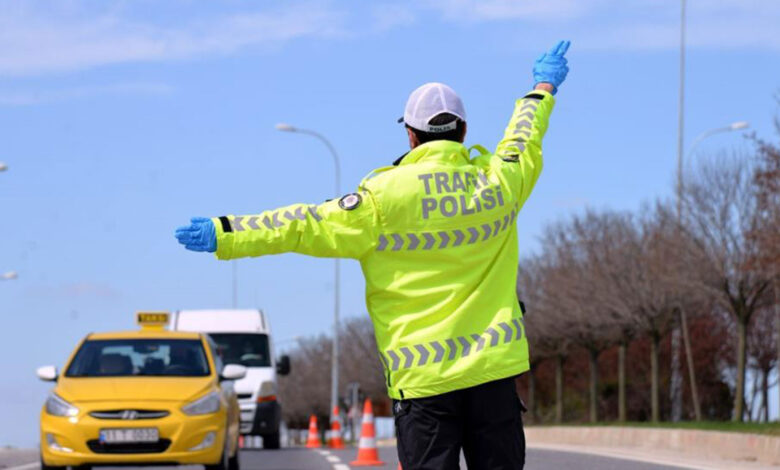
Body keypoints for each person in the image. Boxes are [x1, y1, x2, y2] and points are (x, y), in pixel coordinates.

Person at [175, 40, 570, 469]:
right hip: (494, 377)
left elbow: (300, 225)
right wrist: (542, 86)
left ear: (411, 135)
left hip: (424, 385)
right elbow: (522, 138)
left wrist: (227, 232)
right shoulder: (498, 185)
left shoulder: (381, 200)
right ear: (464, 132)